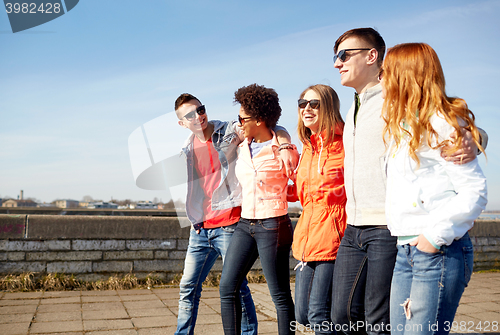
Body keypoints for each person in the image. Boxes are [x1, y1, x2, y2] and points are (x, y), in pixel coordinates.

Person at [330, 28, 484, 335]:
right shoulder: (360, 109)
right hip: (378, 234)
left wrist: (472, 136)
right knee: (344, 315)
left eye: (344, 55)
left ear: (372, 57)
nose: (337, 63)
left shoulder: (402, 105)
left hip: (411, 238)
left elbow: (450, 126)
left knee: (383, 322)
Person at [381, 42, 487, 335]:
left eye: (386, 71)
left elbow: (474, 191)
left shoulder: (441, 123)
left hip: (437, 250)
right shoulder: (402, 126)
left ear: (406, 76)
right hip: (406, 249)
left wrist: (433, 237)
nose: (382, 78)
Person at [174, 93, 297, 335]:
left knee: (244, 289)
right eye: (190, 115)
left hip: (231, 224)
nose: (198, 116)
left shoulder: (229, 131)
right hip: (200, 228)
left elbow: (269, 124)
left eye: (200, 110)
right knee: (189, 287)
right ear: (182, 123)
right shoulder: (186, 149)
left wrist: (283, 143)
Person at [219, 84, 296, 335]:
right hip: (245, 223)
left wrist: (284, 144)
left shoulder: (284, 150)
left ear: (260, 120)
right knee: (227, 287)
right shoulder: (242, 146)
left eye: (243, 118)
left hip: (273, 224)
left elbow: (299, 185)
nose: (239, 122)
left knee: (280, 296)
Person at [287, 84, 346, 334]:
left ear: (329, 107)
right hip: (306, 239)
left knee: (319, 314)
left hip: (334, 238)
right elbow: (303, 193)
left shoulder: (345, 144)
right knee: (302, 314)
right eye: (302, 104)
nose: (307, 109)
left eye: (314, 104)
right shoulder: (307, 149)